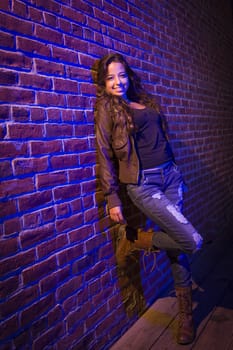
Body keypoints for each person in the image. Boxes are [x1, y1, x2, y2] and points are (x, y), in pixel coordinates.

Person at [94, 52, 203, 345]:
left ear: (129, 76)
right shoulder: (107, 107)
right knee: (191, 241)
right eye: (110, 77)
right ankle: (137, 240)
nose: (117, 82)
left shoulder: (144, 102)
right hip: (145, 184)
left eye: (121, 75)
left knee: (178, 247)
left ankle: (186, 317)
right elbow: (104, 153)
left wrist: (176, 172)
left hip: (170, 177)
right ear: (103, 83)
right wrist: (112, 196)